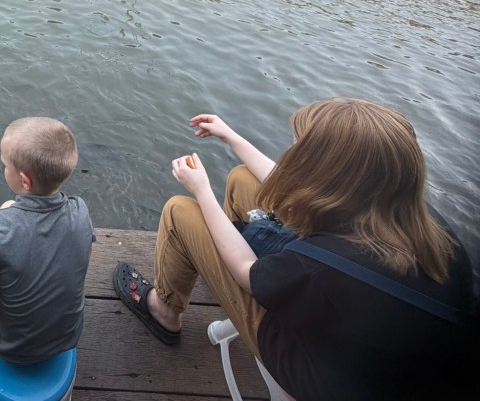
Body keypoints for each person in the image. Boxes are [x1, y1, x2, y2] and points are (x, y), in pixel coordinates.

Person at [114, 99, 476, 400]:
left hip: (319, 372)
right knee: (243, 178)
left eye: (301, 148)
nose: (293, 152)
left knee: (182, 211)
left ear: (333, 173)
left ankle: (164, 312)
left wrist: (203, 190)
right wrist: (231, 137)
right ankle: (209, 260)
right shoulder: (424, 225)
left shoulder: (316, 267)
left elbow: (247, 272)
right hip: (378, 348)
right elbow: (288, 188)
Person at [0, 117, 95, 364]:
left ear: (24, 181)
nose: (3, 169)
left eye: (5, 165)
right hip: (64, 339)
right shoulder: (80, 212)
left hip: (7, 347)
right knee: (6, 210)